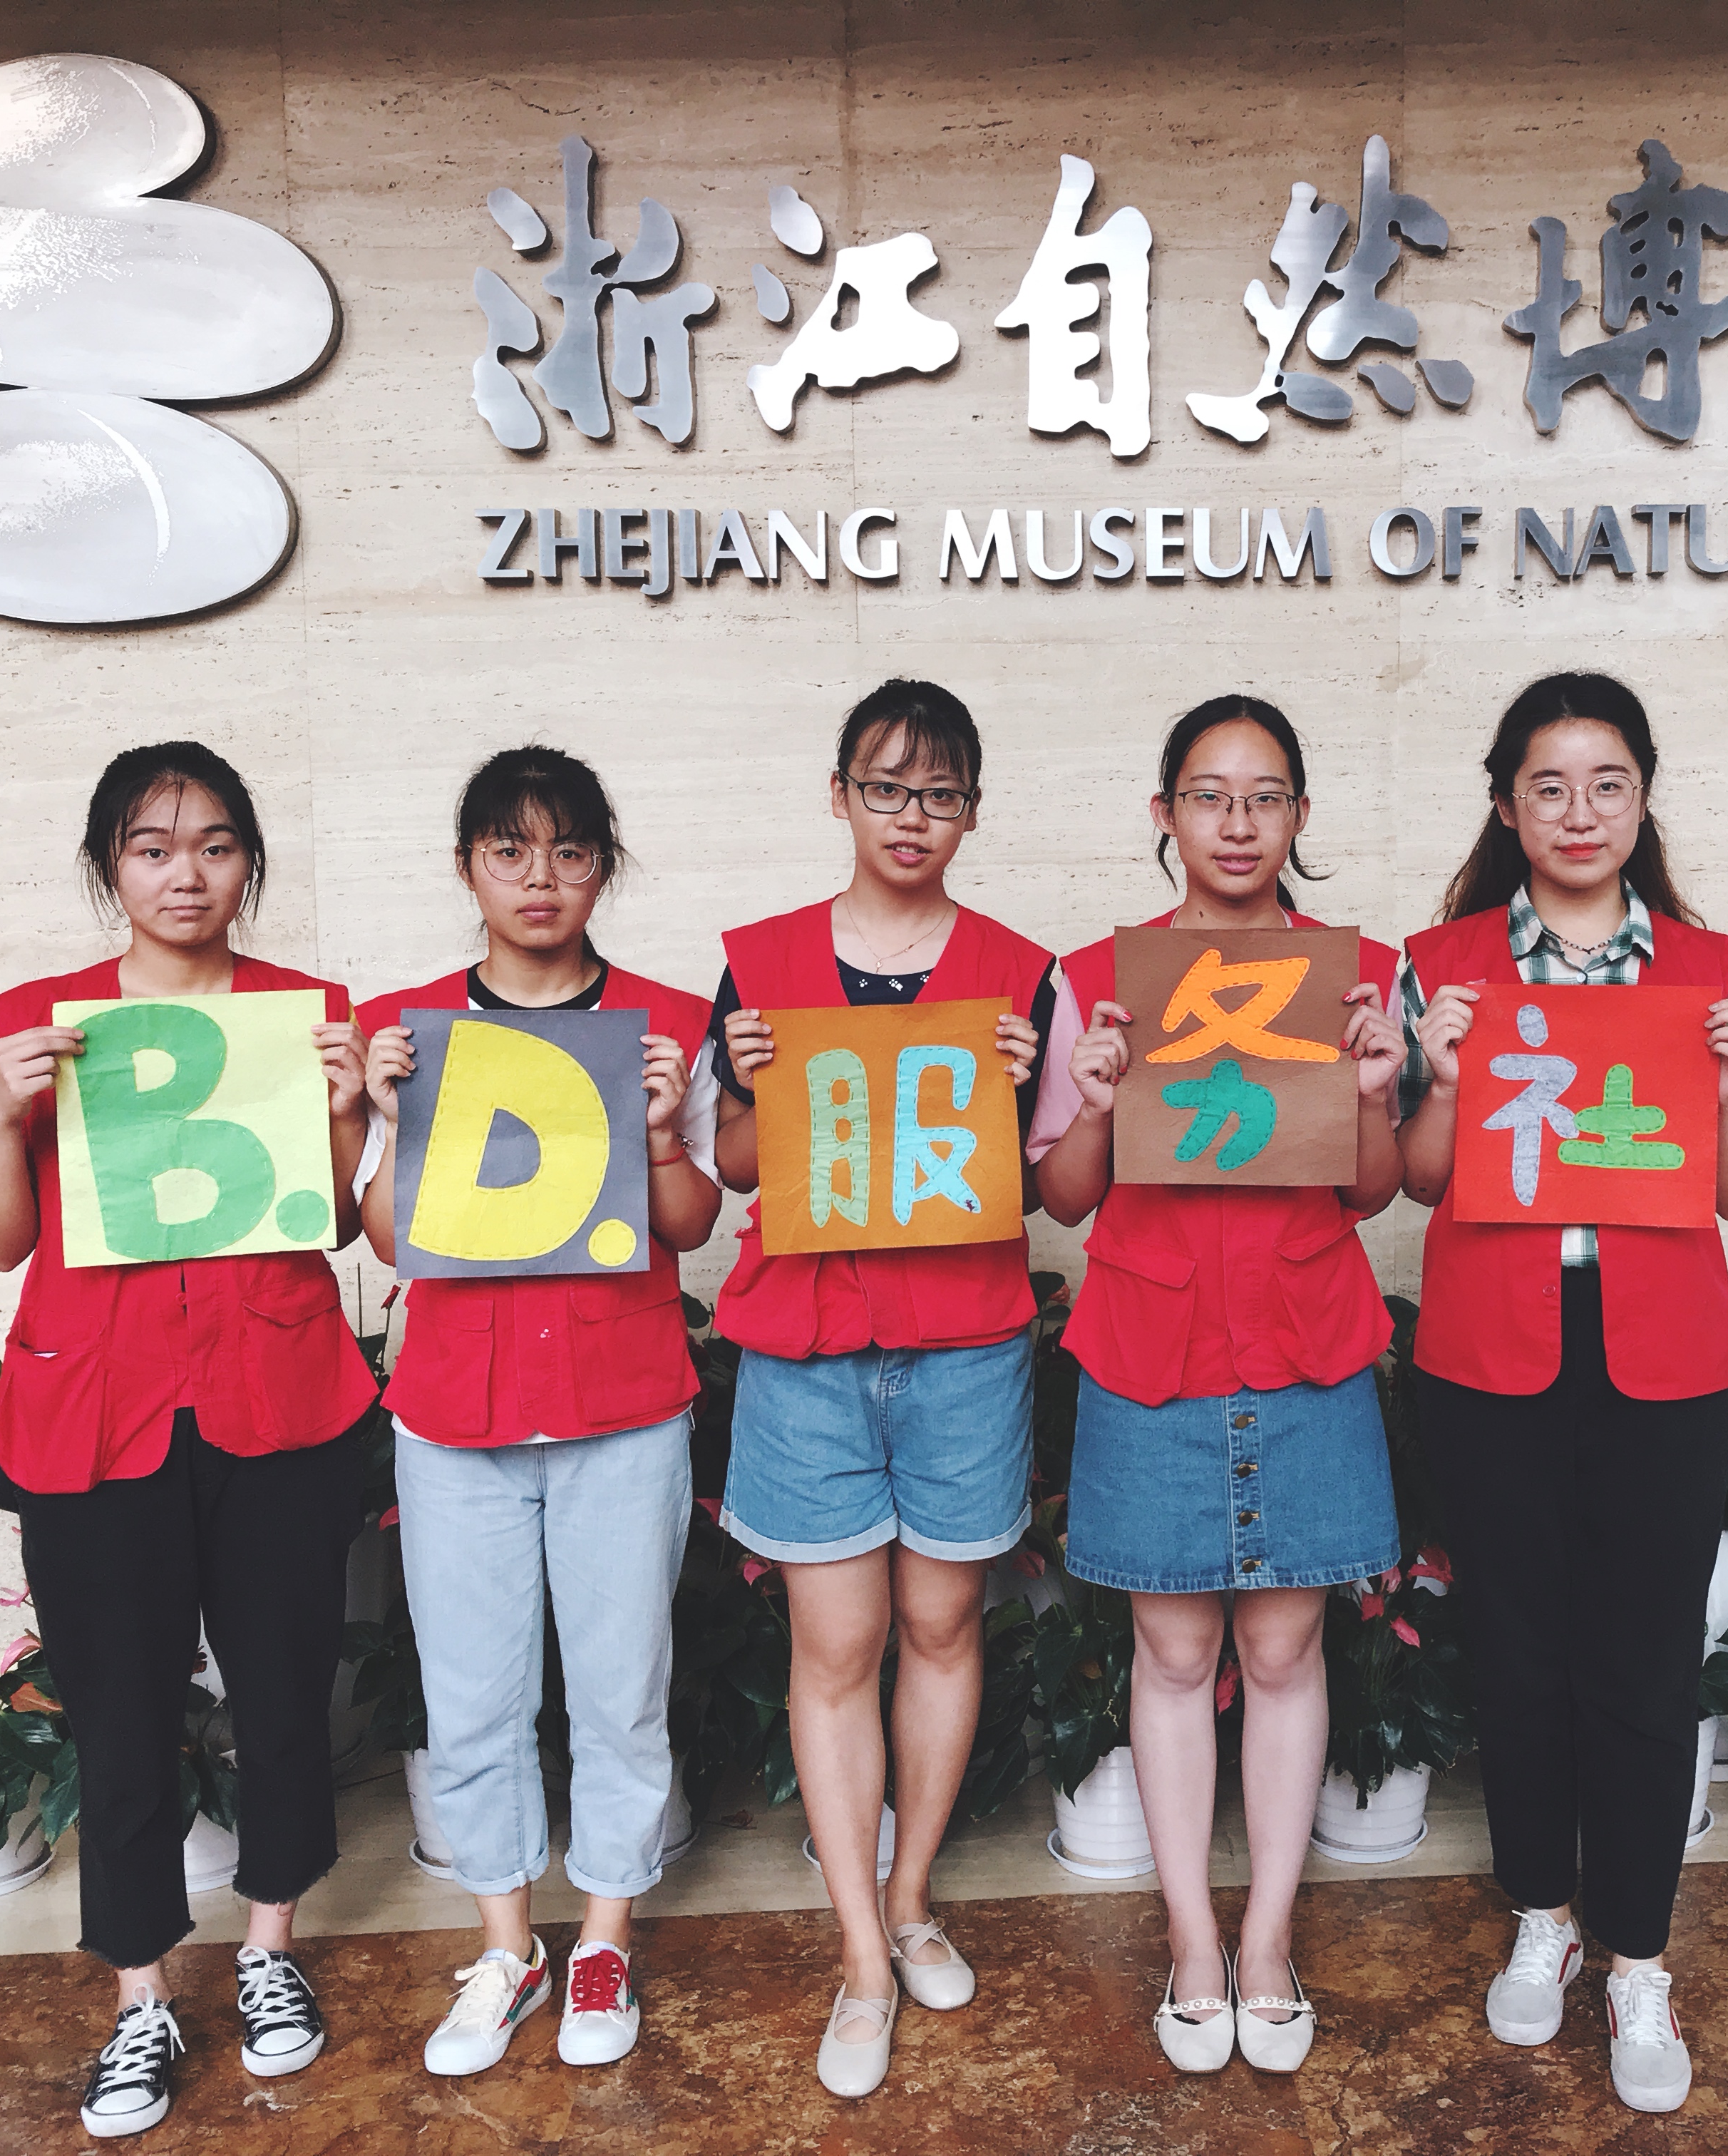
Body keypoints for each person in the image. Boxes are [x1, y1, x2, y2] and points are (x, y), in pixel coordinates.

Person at [0, 744, 376, 2139]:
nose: (184, 874)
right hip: (92, 1414)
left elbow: (326, 1223)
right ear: (109, 868)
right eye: (150, 847)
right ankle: (140, 1996)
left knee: (284, 1690)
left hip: (278, 1397)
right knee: (121, 1714)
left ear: (249, 860)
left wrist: (345, 1112)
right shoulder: (27, 1026)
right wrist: (4, 1114)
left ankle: (270, 1947)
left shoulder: (307, 1016)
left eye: (214, 844)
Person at [1392, 673, 1728, 2118]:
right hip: (1493, 1348)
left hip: (1659, 1358)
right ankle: (1543, 1915)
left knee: (1642, 1661)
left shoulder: (1704, 969)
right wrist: (1440, 1079)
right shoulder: (1442, 967)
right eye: (1548, 786)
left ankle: (1638, 1954)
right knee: (1516, 1651)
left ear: (1642, 799)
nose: (1578, 812)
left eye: (1606, 783)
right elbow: (1418, 1178)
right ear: (1506, 805)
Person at [1029, 696, 1406, 2077]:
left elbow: (1371, 1192)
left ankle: (1266, 1943)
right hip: (1153, 1346)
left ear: (1299, 815)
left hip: (1305, 1340)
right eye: (1208, 795)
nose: (1237, 824)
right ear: (1165, 814)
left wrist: (1374, 1093)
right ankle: (1194, 1940)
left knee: (1287, 1653)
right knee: (1176, 1656)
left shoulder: (1353, 976)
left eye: (1264, 797)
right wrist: (1091, 1097)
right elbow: (1064, 1199)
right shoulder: (1098, 979)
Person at [707, 679, 1052, 2098]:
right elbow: (736, 1166)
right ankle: (861, 1953)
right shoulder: (762, 964)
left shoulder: (1019, 974)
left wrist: (1030, 1090)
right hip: (808, 1347)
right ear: (840, 795)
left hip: (964, 1341)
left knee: (943, 1621)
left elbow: (1044, 1181)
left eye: (942, 794)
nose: (914, 818)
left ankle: (911, 1901)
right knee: (836, 1643)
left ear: (971, 812)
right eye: (889, 788)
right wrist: (739, 1087)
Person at [356, 746, 722, 2076]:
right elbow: (391, 1243)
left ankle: (605, 1934)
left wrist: (667, 1131)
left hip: (623, 1401)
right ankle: (507, 1949)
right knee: (471, 1696)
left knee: (623, 1691)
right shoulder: (408, 1032)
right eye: (509, 851)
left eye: (569, 851)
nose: (540, 878)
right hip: (457, 1411)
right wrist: (383, 1117)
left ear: (603, 870)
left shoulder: (666, 1023)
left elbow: (692, 1223)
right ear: (468, 868)